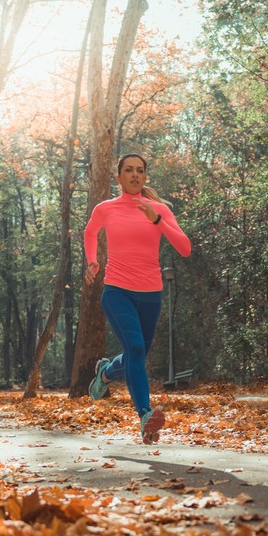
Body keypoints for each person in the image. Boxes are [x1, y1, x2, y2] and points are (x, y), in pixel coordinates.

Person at [83, 153, 191, 443]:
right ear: (118, 178)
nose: (134, 175)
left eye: (140, 171)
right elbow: (90, 233)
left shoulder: (158, 210)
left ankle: (106, 372)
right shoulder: (106, 208)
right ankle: (145, 415)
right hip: (117, 290)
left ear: (145, 177)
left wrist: (157, 220)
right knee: (134, 346)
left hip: (151, 294)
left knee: (138, 352)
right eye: (128, 170)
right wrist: (92, 261)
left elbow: (184, 247)